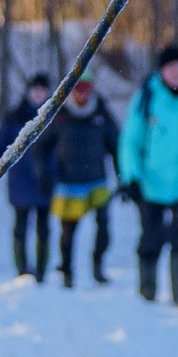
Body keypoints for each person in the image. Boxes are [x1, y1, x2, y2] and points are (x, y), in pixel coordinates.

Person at [116, 41, 178, 306]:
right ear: (161, 72)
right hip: (151, 182)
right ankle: (147, 293)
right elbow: (130, 141)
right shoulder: (147, 97)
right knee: (151, 238)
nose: (176, 73)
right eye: (170, 68)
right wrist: (131, 176)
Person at [48, 72, 121, 287]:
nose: (81, 93)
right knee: (68, 231)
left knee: (103, 226)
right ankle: (67, 271)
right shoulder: (60, 113)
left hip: (97, 180)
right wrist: (45, 175)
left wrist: (122, 176)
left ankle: (98, 266)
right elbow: (42, 147)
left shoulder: (101, 112)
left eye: (85, 88)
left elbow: (115, 145)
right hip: (69, 183)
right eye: (77, 88)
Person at [0, 72, 55, 280]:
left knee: (43, 229)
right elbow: (0, 145)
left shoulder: (55, 115)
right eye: (35, 90)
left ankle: (41, 271)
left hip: (46, 180)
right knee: (21, 227)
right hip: (21, 180)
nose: (38, 94)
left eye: (42, 90)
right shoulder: (15, 116)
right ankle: (22, 269)